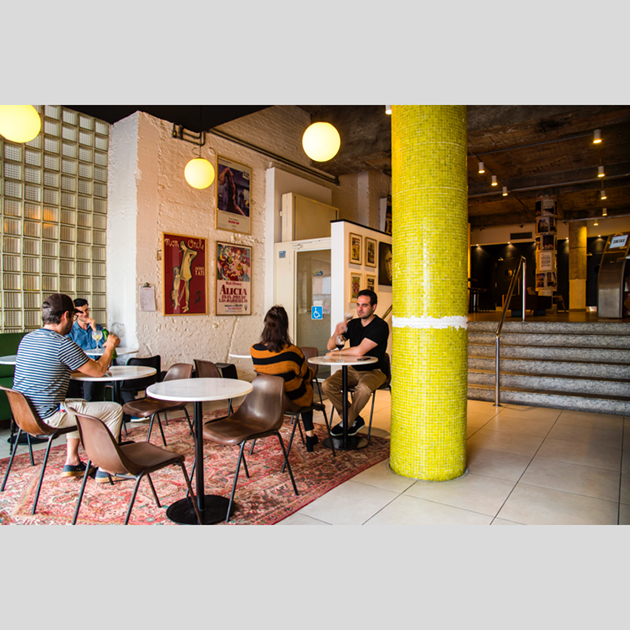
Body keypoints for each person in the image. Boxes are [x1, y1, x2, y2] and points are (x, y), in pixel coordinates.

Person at [13, 293, 124, 482]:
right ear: (66, 315)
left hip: (25, 416)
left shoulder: (28, 339)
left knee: (75, 404)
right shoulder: (62, 344)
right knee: (114, 410)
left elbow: (56, 369)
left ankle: (72, 461)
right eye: (73, 316)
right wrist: (110, 346)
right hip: (49, 417)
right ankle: (108, 468)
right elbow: (98, 371)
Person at [250, 305, 319, 452]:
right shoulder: (292, 351)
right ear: (285, 327)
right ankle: (310, 436)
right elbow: (305, 375)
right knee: (308, 385)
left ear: (265, 324)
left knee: (303, 385)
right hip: (292, 400)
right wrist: (311, 373)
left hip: (269, 399)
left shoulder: (255, 350)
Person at [322, 289, 389, 437]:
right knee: (327, 384)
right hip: (353, 369)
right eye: (358, 305)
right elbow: (330, 346)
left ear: (374, 307)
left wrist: (336, 354)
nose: (360, 309)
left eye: (364, 305)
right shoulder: (353, 324)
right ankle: (354, 419)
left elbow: (359, 351)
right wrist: (337, 332)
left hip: (374, 371)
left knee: (363, 389)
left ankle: (346, 422)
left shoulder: (380, 326)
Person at [66, 298, 106, 401]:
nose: (85, 313)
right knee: (91, 381)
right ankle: (89, 405)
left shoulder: (97, 327)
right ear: (75, 314)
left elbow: (104, 347)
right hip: (82, 366)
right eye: (81, 312)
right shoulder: (71, 331)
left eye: (86, 310)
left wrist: (94, 329)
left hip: (98, 364)